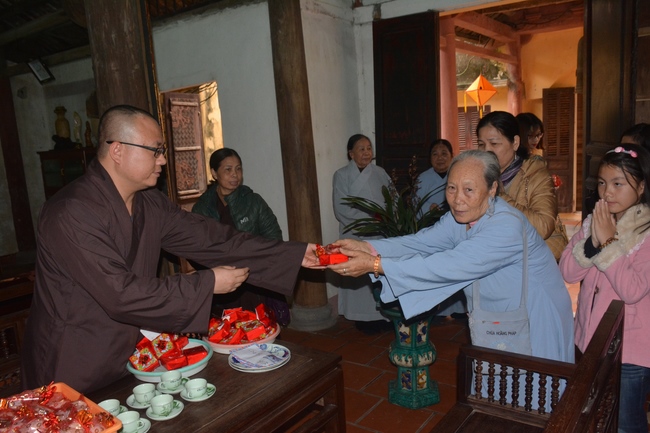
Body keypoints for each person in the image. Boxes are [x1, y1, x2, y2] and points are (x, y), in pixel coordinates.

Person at [21, 105, 320, 394]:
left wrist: (296, 254)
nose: (163, 160)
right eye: (155, 151)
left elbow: (214, 239)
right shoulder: (70, 212)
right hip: (73, 362)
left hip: (128, 354)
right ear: (118, 150)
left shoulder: (149, 203)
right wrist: (207, 283)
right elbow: (120, 294)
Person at [326, 150, 574, 364]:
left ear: (492, 189)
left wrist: (375, 265)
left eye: (469, 190)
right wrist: (365, 247)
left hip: (535, 311)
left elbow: (448, 265)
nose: (457, 200)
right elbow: (421, 242)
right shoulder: (463, 217)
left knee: (531, 384)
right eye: (451, 188)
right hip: (498, 314)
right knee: (497, 378)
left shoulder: (506, 225)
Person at [559, 144, 650, 433]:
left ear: (641, 186)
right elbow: (568, 272)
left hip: (631, 350)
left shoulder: (647, 231)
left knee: (625, 421)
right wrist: (593, 242)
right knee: (594, 413)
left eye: (617, 184)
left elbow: (632, 290)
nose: (607, 192)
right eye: (601, 183)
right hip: (589, 339)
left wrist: (610, 243)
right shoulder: (593, 222)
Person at [192, 148, 289, 324]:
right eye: (228, 169)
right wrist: (213, 274)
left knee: (259, 326)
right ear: (214, 172)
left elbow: (273, 237)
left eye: (238, 169)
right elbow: (196, 249)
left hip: (253, 277)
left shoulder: (253, 201)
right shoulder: (202, 208)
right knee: (226, 329)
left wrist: (257, 265)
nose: (235, 174)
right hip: (222, 280)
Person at [477, 111, 567, 261]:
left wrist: (499, 195)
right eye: (481, 144)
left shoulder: (536, 174)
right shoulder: (479, 175)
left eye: (494, 143)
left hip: (531, 263)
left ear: (515, 143)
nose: (486, 150)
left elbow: (543, 226)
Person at [332, 133, 392, 333]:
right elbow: (341, 208)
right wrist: (369, 219)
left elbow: (393, 198)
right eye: (361, 149)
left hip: (379, 233)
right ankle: (361, 317)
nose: (367, 153)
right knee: (358, 276)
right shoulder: (341, 175)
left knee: (376, 273)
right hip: (355, 233)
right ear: (351, 154)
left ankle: (383, 316)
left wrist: (387, 218)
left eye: (369, 148)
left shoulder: (380, 172)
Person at [415, 139, 453, 212]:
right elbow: (414, 203)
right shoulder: (422, 178)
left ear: (452, 156)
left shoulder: (459, 175)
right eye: (435, 154)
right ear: (430, 158)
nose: (440, 158)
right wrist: (429, 208)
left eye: (444, 154)